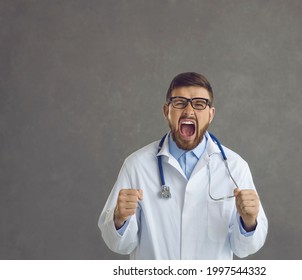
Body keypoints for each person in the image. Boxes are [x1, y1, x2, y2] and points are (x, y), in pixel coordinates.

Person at [98, 72, 268, 259]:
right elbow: (119, 244)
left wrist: (249, 221)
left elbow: (244, 248)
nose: (188, 111)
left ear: (211, 114)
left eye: (199, 103)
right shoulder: (136, 165)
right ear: (166, 111)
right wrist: (119, 219)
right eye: (179, 102)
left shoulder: (235, 167)